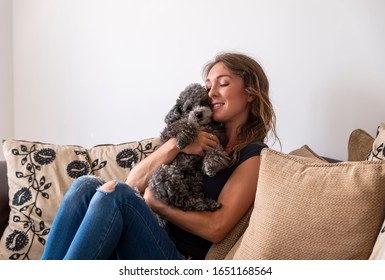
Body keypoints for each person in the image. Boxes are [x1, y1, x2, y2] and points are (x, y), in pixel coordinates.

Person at [41, 52, 278, 260]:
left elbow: (216, 228)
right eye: (207, 87)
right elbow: (133, 182)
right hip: (150, 235)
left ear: (250, 94)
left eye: (223, 84)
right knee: (85, 185)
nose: (211, 93)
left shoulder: (253, 155)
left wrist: (156, 204)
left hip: (180, 258)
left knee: (120, 197)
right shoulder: (192, 135)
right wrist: (176, 145)